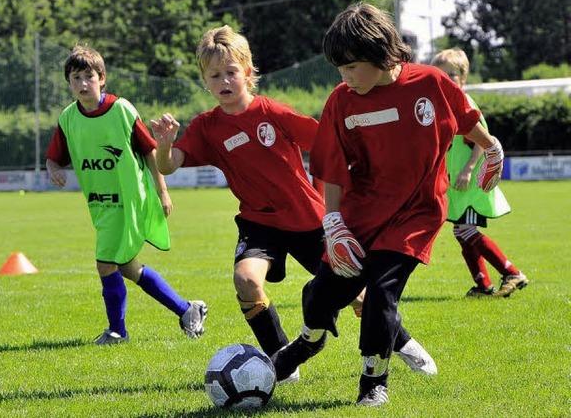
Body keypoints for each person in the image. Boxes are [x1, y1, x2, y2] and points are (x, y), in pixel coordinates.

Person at [151, 25, 435, 383]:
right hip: (259, 223)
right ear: (204, 81)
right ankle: (282, 362)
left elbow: (328, 143)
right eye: (214, 75)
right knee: (245, 280)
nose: (224, 81)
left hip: (307, 219)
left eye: (231, 72)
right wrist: (163, 143)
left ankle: (403, 342)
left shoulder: (272, 112)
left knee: (357, 297)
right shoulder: (207, 127)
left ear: (248, 72)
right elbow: (167, 165)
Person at [272, 3, 505, 407]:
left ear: (381, 54)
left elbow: (467, 119)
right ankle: (309, 341)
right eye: (339, 69)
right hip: (362, 211)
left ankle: (373, 381)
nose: (344, 77)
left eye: (351, 67)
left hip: (416, 211)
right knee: (325, 291)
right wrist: (333, 222)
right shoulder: (342, 101)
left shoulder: (430, 84)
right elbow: (330, 167)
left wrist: (491, 148)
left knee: (381, 292)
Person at [45, 44, 207, 345]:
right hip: (100, 206)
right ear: (68, 83)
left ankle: (117, 331)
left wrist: (163, 192)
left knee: (105, 263)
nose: (82, 84)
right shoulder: (68, 118)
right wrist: (53, 168)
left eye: (88, 77)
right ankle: (188, 310)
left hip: (130, 201)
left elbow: (150, 152)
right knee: (128, 267)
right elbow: (54, 156)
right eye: (75, 78)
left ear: (102, 78)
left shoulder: (121, 110)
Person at [431, 48, 529, 298]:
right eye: (440, 75)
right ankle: (483, 286)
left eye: (451, 75)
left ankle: (512, 272)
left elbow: (484, 141)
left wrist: (467, 169)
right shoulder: (446, 106)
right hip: (459, 184)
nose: (446, 80)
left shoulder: (465, 103)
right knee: (462, 231)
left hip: (472, 181)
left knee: (465, 231)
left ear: (463, 78)